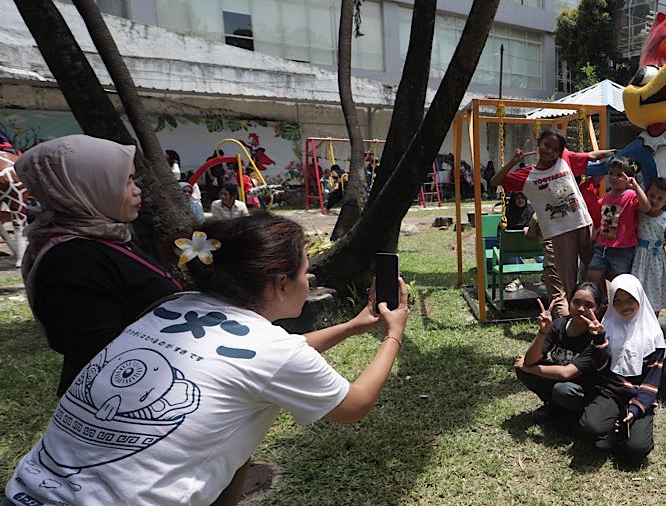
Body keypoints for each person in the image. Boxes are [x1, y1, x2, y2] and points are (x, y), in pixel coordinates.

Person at [3, 213, 411, 505]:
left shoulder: (173, 306)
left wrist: (354, 326)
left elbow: (270, 356)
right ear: (280, 284)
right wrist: (393, 333)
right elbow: (355, 405)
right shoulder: (272, 350)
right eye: (306, 273)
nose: (310, 282)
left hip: (26, 491)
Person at [15, 135, 182, 397]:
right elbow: (98, 354)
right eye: (125, 181)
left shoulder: (105, 236)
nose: (136, 190)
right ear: (85, 187)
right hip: (127, 400)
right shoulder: (76, 259)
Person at [490, 129, 615, 317]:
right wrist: (513, 162)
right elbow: (495, 181)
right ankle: (577, 319)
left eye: (555, 149)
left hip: (582, 223)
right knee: (568, 279)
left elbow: (590, 156)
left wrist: (614, 152)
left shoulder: (564, 160)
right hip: (558, 232)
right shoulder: (527, 176)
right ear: (538, 142)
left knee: (595, 271)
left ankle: (603, 314)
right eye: (546, 145)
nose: (549, 151)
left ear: (560, 152)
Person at [579, 275, 666, 463]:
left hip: (638, 395)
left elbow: (651, 382)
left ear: (640, 298)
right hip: (611, 392)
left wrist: (635, 409)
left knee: (637, 450)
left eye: (630, 300)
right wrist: (599, 339)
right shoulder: (607, 326)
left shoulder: (653, 336)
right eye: (618, 301)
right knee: (590, 426)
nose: (624, 306)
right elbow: (601, 368)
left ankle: (623, 429)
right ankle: (613, 428)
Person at [513, 283, 603, 424]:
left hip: (583, 390)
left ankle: (574, 414)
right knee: (523, 370)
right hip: (560, 381)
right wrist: (543, 332)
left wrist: (529, 368)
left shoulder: (596, 337)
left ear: (598, 308)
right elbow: (530, 360)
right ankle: (554, 406)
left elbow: (566, 374)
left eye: (588, 305)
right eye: (576, 302)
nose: (580, 309)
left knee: (562, 390)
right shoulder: (559, 324)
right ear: (569, 302)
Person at [586, 157, 651, 306]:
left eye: (619, 174)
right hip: (602, 246)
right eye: (611, 173)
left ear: (628, 178)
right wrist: (598, 230)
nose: (614, 177)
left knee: (622, 283)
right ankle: (602, 305)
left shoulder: (630, 195)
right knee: (592, 276)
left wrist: (636, 187)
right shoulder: (607, 195)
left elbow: (646, 207)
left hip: (622, 249)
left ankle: (622, 308)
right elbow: (608, 218)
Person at [631, 177, 666, 315]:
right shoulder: (638, 213)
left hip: (656, 261)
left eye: (660, 198)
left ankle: (654, 322)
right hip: (637, 257)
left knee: (655, 289)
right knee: (636, 288)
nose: (654, 200)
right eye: (651, 195)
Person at [502, 191, 537, 292]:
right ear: (513, 200)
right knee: (511, 248)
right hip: (514, 247)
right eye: (517, 198)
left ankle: (548, 274)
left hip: (531, 244)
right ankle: (516, 280)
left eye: (522, 198)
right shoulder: (508, 211)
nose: (520, 200)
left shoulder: (531, 210)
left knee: (542, 247)